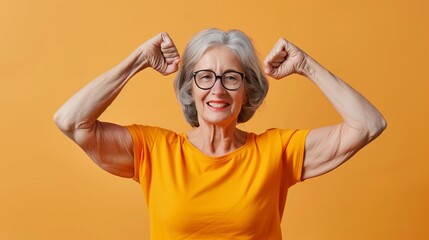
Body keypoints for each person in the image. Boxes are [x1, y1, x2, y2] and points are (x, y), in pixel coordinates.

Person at [54, 28, 386, 239]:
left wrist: (305, 65)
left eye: (231, 77)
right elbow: (71, 120)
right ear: (189, 88)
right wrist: (139, 59)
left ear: (247, 90)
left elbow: (368, 124)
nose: (218, 89)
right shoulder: (154, 150)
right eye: (205, 77)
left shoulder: (276, 151)